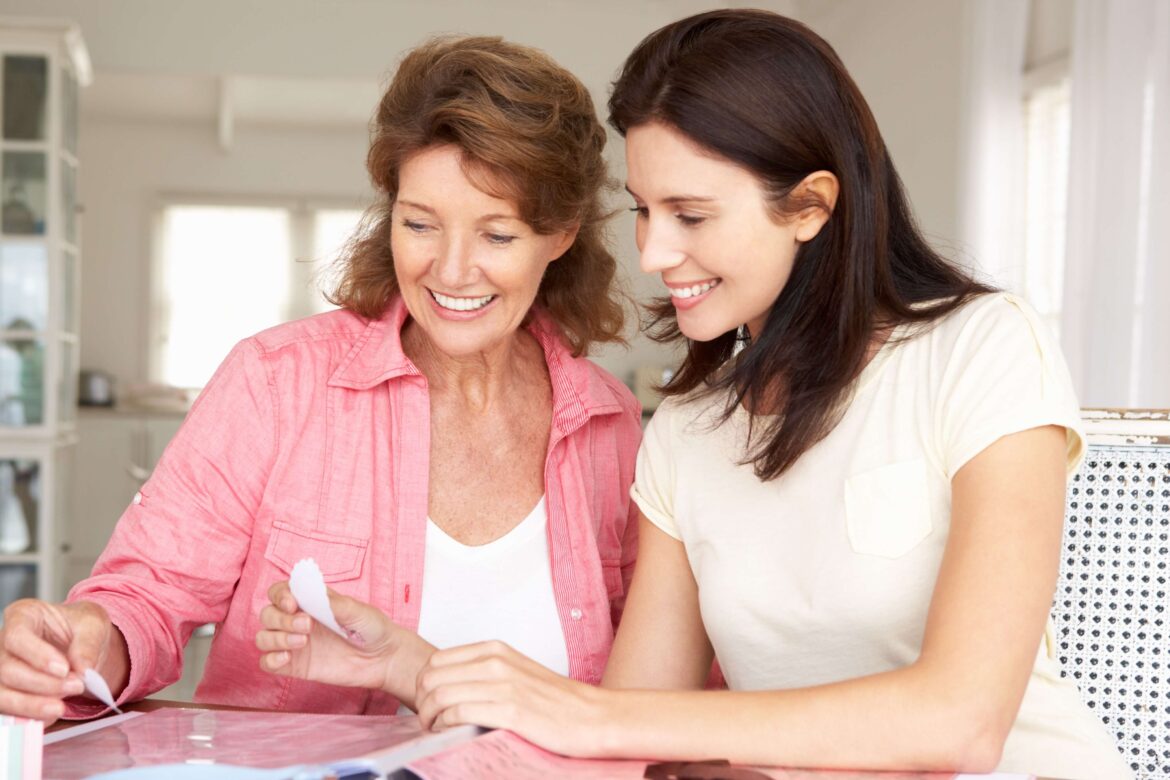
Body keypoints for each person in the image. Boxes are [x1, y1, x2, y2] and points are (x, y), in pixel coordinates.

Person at [269, 10, 1128, 779]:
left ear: (810, 206)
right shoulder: (688, 430)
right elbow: (631, 744)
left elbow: (962, 724)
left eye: (691, 214)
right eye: (644, 209)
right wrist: (414, 668)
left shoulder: (980, 349)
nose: (652, 251)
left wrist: (603, 717)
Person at [0, 35, 641, 723]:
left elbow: (655, 690)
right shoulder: (275, 384)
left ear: (562, 233)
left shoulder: (610, 425)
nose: (451, 271)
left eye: (498, 236)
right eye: (419, 224)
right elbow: (149, 596)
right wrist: (91, 641)